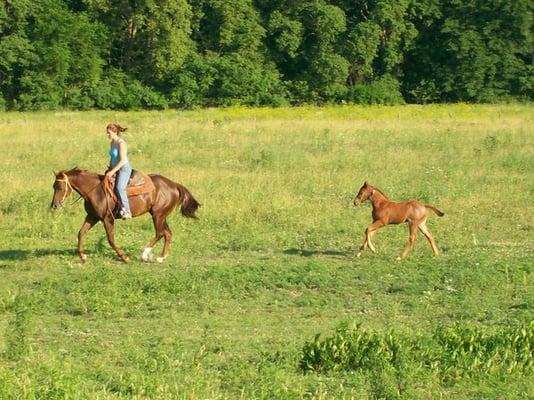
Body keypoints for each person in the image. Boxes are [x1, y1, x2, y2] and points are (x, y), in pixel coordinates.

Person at [105, 123, 132, 219]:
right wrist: (110, 169)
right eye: (107, 133)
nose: (107, 135)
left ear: (115, 132)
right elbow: (113, 157)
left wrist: (112, 172)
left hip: (123, 168)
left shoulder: (121, 143)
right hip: (114, 168)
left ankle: (127, 211)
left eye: (109, 133)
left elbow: (122, 160)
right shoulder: (112, 143)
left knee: (119, 188)